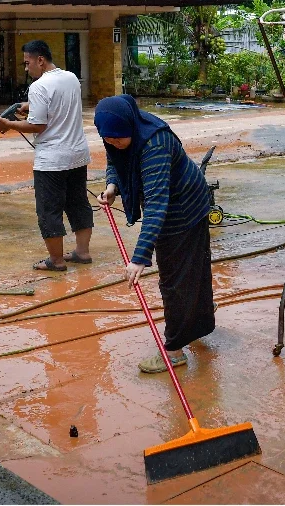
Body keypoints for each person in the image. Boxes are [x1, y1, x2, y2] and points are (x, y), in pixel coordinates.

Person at [95, 94, 214, 374]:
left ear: (130, 128)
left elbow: (158, 203)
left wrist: (139, 258)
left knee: (176, 280)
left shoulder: (154, 144)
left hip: (184, 207)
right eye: (107, 139)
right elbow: (115, 160)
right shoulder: (122, 131)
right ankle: (197, 322)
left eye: (117, 139)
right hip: (176, 201)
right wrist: (112, 186)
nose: (112, 143)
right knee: (190, 272)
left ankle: (173, 352)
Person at [0, 40, 93, 271]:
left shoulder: (38, 87)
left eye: (27, 63)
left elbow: (38, 125)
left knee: (49, 210)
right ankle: (82, 252)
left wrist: (9, 124)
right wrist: (28, 106)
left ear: (40, 60)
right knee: (78, 203)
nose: (26, 69)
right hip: (78, 155)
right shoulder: (71, 78)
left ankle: (56, 261)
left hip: (51, 161)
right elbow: (59, 103)